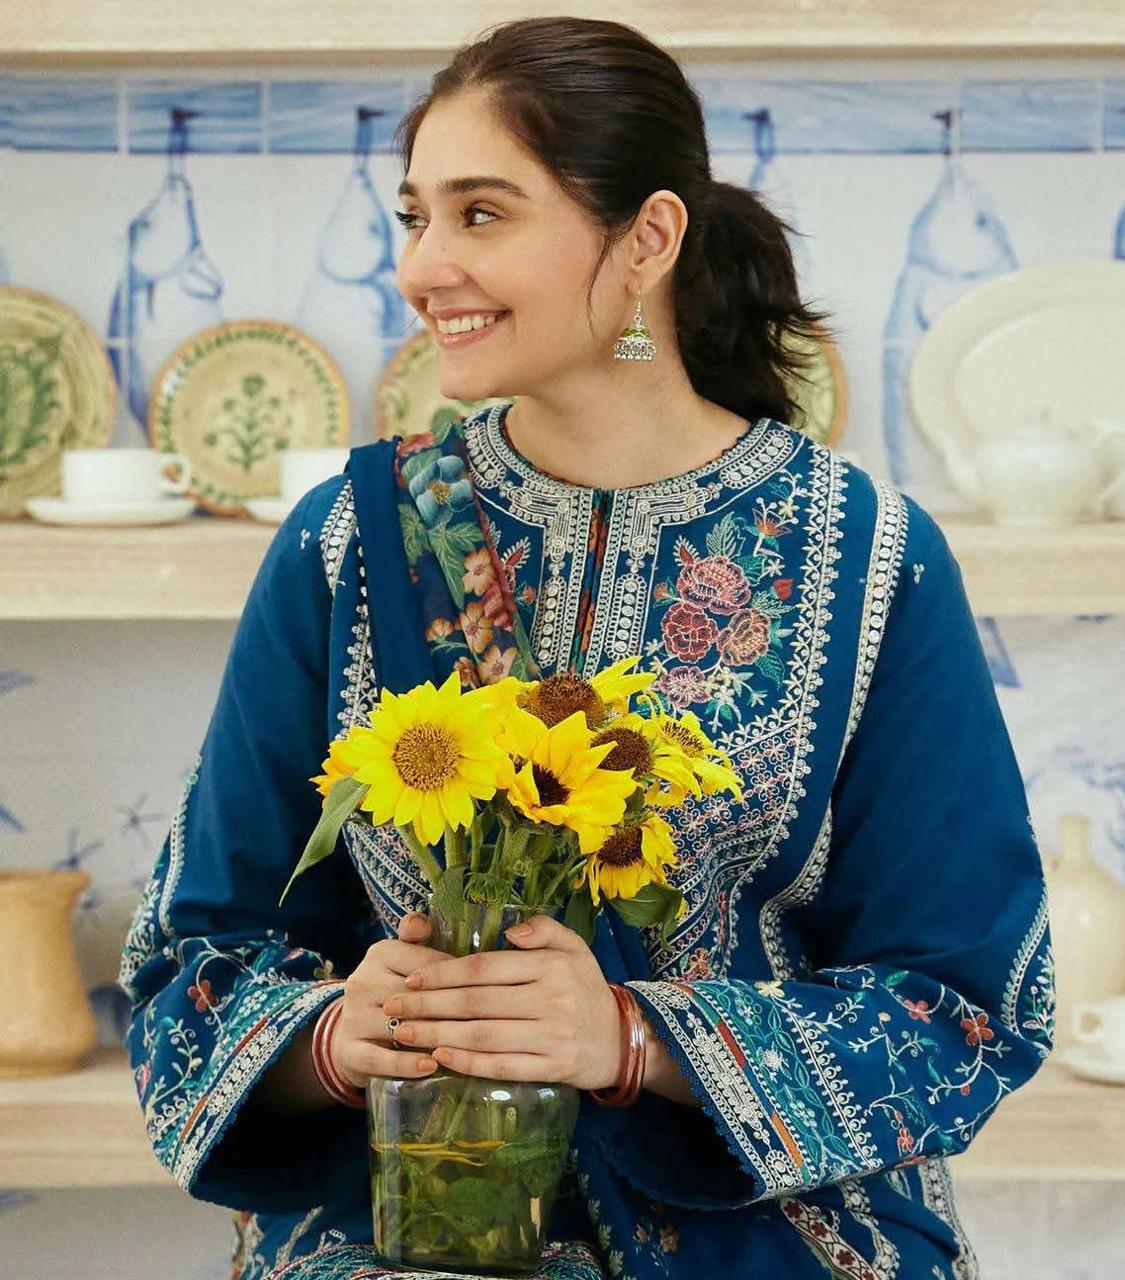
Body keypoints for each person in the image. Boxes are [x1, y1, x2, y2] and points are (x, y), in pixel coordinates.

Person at [119, 17, 1055, 1280]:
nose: (423, 266)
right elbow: (194, 954)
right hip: (398, 1236)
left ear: (649, 239)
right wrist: (343, 1034)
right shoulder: (357, 539)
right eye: (415, 217)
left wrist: (630, 1037)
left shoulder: (867, 554)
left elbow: (969, 1002)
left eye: (482, 214)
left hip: (767, 1240)